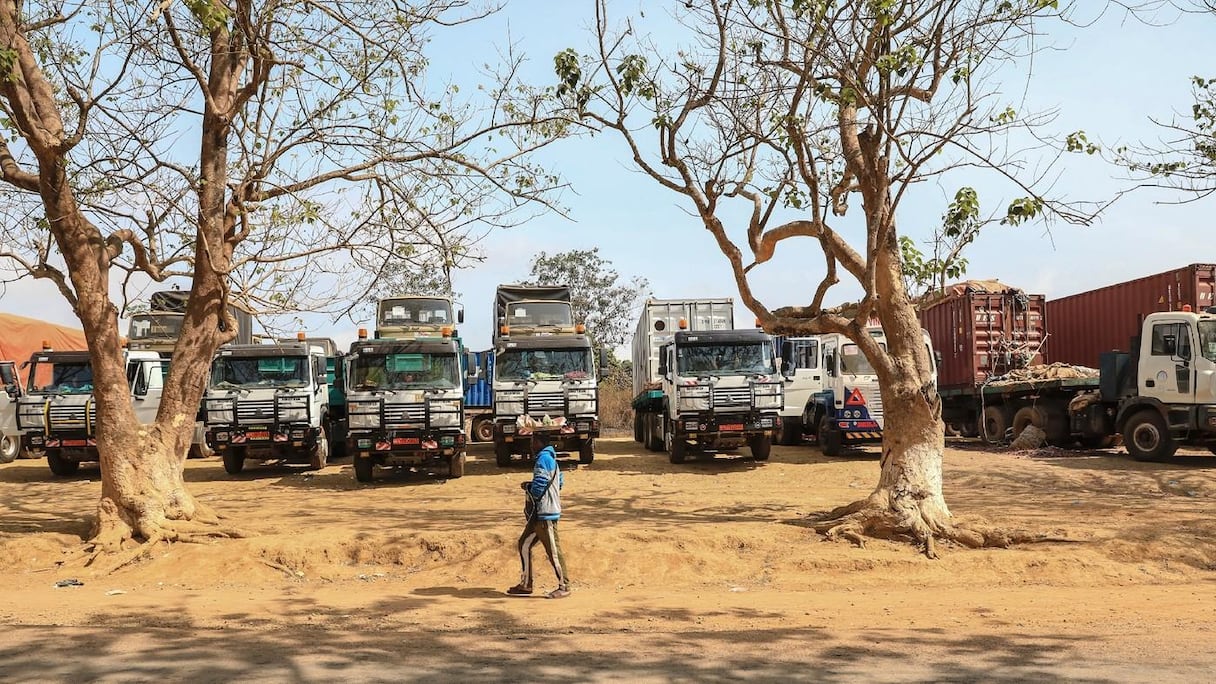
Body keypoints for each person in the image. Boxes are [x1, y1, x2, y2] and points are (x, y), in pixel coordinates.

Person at [506, 432, 570, 599]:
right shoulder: (552, 459)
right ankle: (526, 585)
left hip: (545, 514)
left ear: (540, 443)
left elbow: (540, 484)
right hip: (541, 515)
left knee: (553, 551)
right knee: (524, 544)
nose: (531, 445)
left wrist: (532, 491)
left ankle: (564, 586)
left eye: (533, 441)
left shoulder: (543, 459)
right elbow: (559, 482)